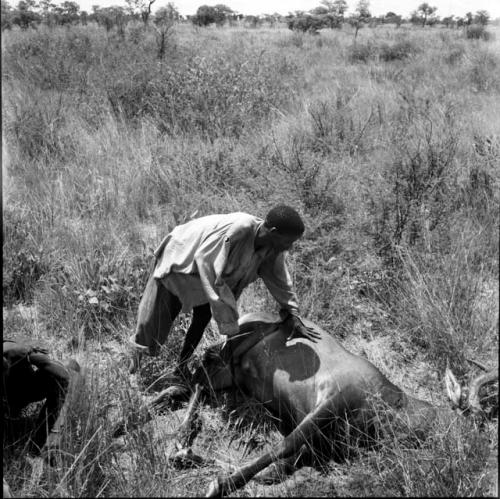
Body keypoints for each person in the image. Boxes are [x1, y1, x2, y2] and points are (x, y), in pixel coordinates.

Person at [129, 204, 320, 376]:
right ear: (273, 231)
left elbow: (280, 280)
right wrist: (224, 312)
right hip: (181, 261)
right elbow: (206, 260)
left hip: (210, 275)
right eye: (288, 241)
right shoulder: (242, 229)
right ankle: (134, 368)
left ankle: (181, 367)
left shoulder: (272, 248)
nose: (290, 246)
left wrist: (292, 312)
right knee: (158, 316)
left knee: (202, 317)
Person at [3, 339, 72, 454]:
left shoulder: (16, 351)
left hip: (24, 391)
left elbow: (62, 375)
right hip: (7, 400)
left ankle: (39, 441)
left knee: (56, 379)